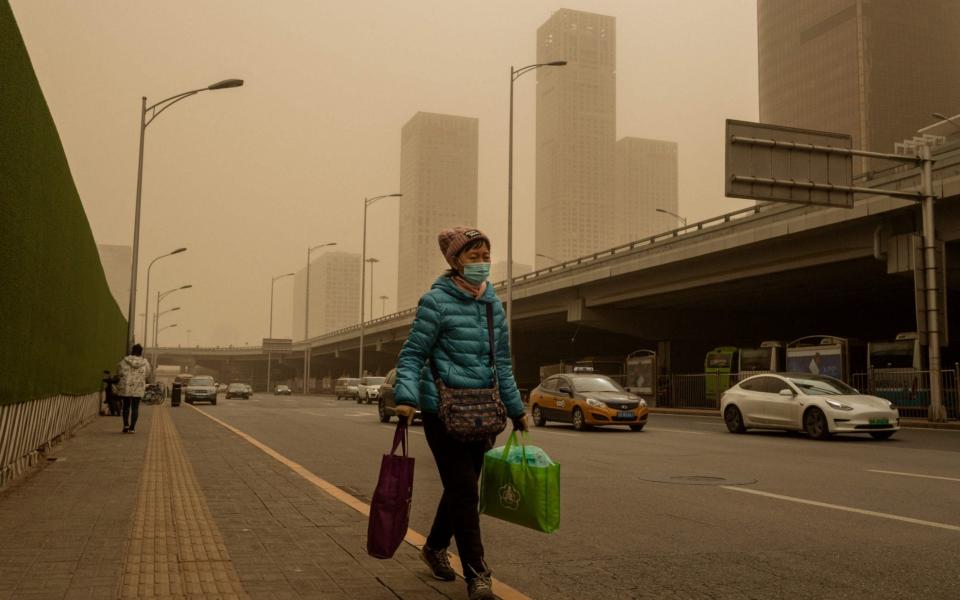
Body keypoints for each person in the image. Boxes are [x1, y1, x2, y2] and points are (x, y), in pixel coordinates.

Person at [394, 227, 527, 600]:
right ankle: (477, 573)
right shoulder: (434, 302)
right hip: (443, 411)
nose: (483, 263)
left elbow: (502, 363)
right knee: (466, 491)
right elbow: (412, 355)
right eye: (474, 257)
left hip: (484, 412)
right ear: (455, 262)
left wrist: (517, 409)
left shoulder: (493, 305)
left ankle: (435, 547)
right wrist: (405, 398)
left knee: (461, 489)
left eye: (486, 256)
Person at [114, 344, 151, 433]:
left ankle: (126, 425)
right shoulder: (145, 362)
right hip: (138, 388)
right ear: (141, 352)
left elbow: (118, 372)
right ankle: (132, 428)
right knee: (135, 408)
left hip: (126, 387)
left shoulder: (124, 361)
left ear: (132, 351)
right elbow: (147, 374)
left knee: (126, 406)